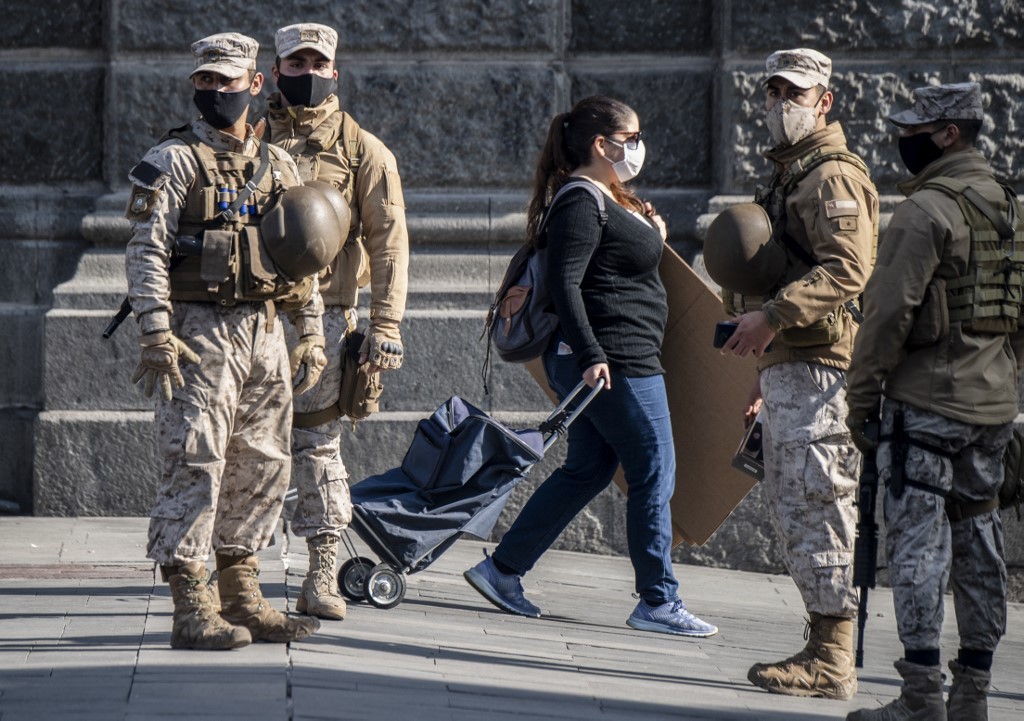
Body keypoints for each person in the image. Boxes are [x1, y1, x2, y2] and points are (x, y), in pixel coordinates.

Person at [463, 95, 717, 638]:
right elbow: (565, 284)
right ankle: (657, 600)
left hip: (618, 356)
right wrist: (591, 355)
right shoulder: (580, 200)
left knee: (589, 469)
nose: (638, 148)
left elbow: (620, 268)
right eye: (631, 138)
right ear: (601, 145)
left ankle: (502, 570)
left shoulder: (605, 197)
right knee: (654, 470)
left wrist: (653, 233)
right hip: (615, 359)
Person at [125, 32, 329, 650]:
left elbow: (305, 257)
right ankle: (192, 607)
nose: (215, 90)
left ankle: (243, 597)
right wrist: (156, 330)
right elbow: (146, 249)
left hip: (264, 330)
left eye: (227, 81)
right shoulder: (172, 160)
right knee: (195, 459)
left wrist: (312, 332)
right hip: (197, 334)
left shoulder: (279, 165)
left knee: (262, 463)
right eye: (205, 81)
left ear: (254, 84)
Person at [845, 82, 1024, 721]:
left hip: (925, 408)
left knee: (920, 543)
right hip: (993, 407)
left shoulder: (926, 211)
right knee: (981, 540)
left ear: (948, 134)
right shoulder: (1010, 205)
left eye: (916, 129)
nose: (905, 140)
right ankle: (972, 697)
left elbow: (885, 316)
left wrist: (862, 402)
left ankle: (921, 699)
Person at [718, 48, 878, 699]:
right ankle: (821, 645)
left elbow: (848, 269)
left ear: (824, 101)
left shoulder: (831, 176)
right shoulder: (790, 176)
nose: (781, 103)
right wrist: (763, 362)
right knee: (796, 509)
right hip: (793, 365)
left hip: (824, 370)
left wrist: (772, 319)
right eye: (773, 91)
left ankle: (834, 659)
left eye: (795, 93)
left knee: (822, 502)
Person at [266, 23, 409, 621]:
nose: (306, 74)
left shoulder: (363, 150)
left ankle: (322, 572)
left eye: (316, 65)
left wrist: (386, 326)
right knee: (240, 445)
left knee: (318, 444)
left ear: (335, 73)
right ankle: (235, 566)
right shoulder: (246, 140)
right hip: (251, 315)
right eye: (294, 65)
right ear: (274, 73)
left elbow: (390, 242)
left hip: (325, 320)